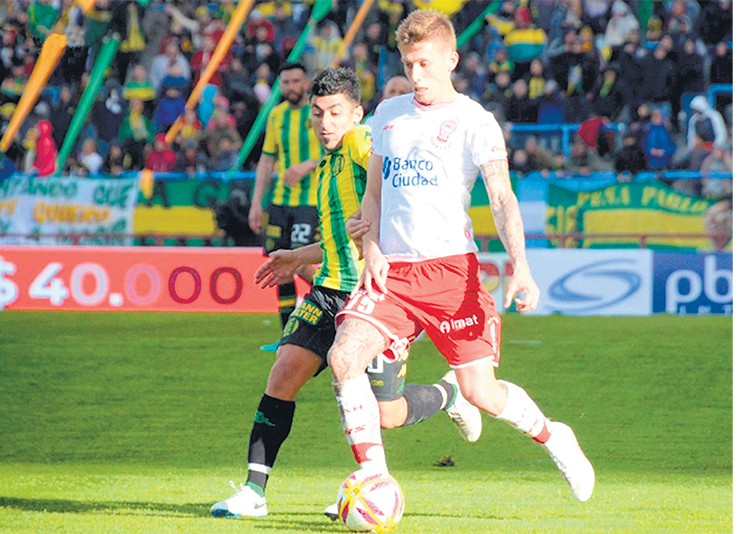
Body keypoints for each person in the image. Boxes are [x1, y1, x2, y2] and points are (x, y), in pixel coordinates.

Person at [325, 9, 595, 504]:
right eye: (409, 65)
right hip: (392, 275)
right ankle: (376, 479)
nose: (417, 75)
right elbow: (374, 196)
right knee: (343, 358)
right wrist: (372, 249)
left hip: (452, 276)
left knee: (481, 394)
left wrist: (522, 268)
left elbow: (502, 198)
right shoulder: (388, 115)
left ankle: (556, 437)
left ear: (451, 58)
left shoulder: (476, 121)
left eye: (425, 63)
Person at [210, 66, 482, 519]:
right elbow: (339, 237)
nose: (325, 123)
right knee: (282, 375)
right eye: (318, 114)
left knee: (387, 413)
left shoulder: (360, 143)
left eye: (336, 112)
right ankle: (254, 491)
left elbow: (396, 188)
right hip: (327, 291)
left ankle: (448, 395)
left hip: (373, 298)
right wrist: (298, 257)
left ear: (356, 113)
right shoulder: (326, 164)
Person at [248, 62, 324, 351]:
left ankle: (342, 301)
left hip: (312, 201)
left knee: (301, 262)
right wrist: (257, 203)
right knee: (280, 262)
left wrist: (308, 164)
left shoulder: (320, 111)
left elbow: (339, 148)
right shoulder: (277, 116)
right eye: (286, 82)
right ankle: (287, 334)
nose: (291, 87)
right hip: (280, 201)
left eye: (296, 81)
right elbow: (267, 160)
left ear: (306, 83)